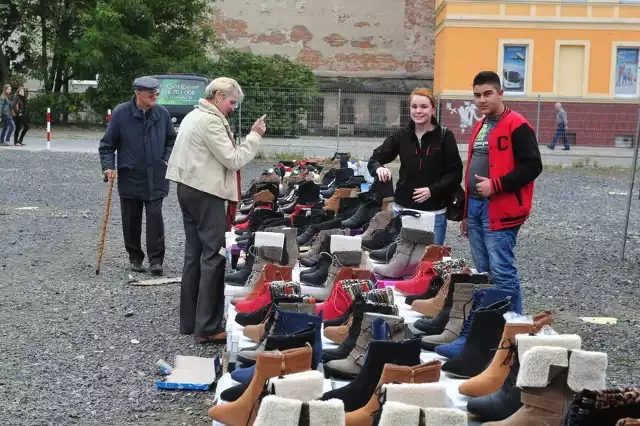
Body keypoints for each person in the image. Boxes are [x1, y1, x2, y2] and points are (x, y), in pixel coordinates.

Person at [166, 77, 266, 344]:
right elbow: (233, 160)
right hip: (205, 193)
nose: (233, 107)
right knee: (214, 256)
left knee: (194, 254)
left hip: (188, 189)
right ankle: (208, 327)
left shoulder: (194, 115)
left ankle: (190, 322)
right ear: (218, 96)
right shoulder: (210, 121)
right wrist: (254, 136)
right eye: (232, 102)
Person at [460, 71, 543, 314]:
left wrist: (496, 185)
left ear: (500, 94)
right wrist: (466, 212)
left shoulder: (517, 125)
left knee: (502, 271)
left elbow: (533, 166)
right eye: (477, 95)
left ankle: (512, 327)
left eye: (487, 94)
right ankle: (490, 324)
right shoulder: (481, 125)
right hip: (475, 207)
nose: (481, 100)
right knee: (484, 271)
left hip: (501, 208)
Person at [98, 76, 176, 275]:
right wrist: (108, 167)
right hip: (130, 175)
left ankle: (156, 260)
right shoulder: (121, 113)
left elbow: (171, 141)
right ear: (137, 93)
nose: (154, 96)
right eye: (150, 93)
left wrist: (166, 158)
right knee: (131, 220)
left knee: (155, 219)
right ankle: (135, 258)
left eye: (156, 92)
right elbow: (107, 146)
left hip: (156, 175)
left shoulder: (162, 113)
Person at [368, 88, 463, 245]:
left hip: (434, 212)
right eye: (414, 107)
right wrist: (379, 168)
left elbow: (455, 173)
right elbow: (375, 159)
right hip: (403, 209)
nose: (418, 111)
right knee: (402, 261)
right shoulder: (401, 135)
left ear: (433, 109)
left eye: (424, 107)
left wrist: (433, 190)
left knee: (429, 262)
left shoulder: (445, 136)